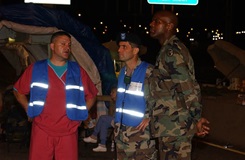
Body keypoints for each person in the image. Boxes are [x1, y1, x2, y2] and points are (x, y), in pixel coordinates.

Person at [13, 31, 98, 160]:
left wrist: (81, 114)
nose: (67, 47)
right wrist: (27, 108)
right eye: (63, 44)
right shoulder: (36, 68)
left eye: (69, 44)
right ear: (52, 46)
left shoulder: (78, 70)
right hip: (41, 128)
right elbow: (18, 90)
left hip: (69, 130)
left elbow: (92, 95)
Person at [148, 10, 210, 160]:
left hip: (175, 127)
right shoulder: (168, 50)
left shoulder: (171, 53)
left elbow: (187, 87)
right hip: (171, 126)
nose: (151, 24)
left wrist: (197, 118)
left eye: (157, 21)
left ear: (169, 26)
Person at [114, 32, 157, 159]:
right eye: (119, 46)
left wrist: (151, 117)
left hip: (140, 135)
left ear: (135, 50)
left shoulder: (149, 71)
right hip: (121, 133)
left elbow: (163, 97)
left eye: (124, 47)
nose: (119, 50)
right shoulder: (123, 72)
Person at [83, 86, 117, 152]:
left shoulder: (121, 100)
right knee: (104, 123)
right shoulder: (115, 102)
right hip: (115, 120)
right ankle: (102, 145)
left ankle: (94, 136)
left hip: (120, 121)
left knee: (102, 118)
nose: (111, 94)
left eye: (113, 92)